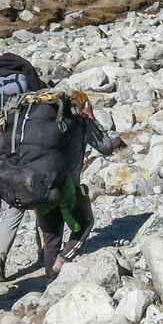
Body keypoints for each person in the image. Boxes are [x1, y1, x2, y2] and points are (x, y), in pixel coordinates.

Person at [0, 53, 45, 282]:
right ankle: (43, 252)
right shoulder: (24, 74)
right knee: (40, 202)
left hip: (1, 148)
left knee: (12, 209)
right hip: (26, 148)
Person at [32, 94, 114, 279]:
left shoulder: (41, 125)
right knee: (85, 222)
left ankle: (50, 285)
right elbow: (107, 147)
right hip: (68, 188)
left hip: (40, 186)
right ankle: (63, 258)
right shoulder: (80, 122)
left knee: (51, 239)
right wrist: (91, 118)